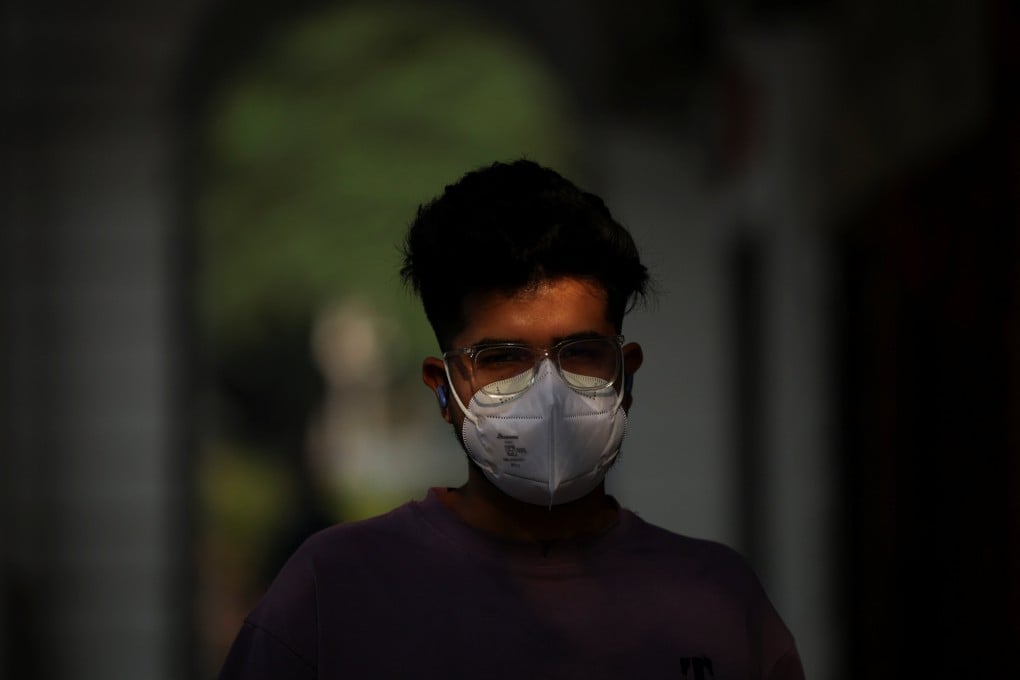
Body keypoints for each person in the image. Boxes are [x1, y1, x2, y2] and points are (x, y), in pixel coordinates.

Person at [219, 159, 804, 679]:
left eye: (578, 351)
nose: (547, 391)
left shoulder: (717, 604)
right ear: (444, 387)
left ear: (625, 376)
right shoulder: (333, 594)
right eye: (501, 358)